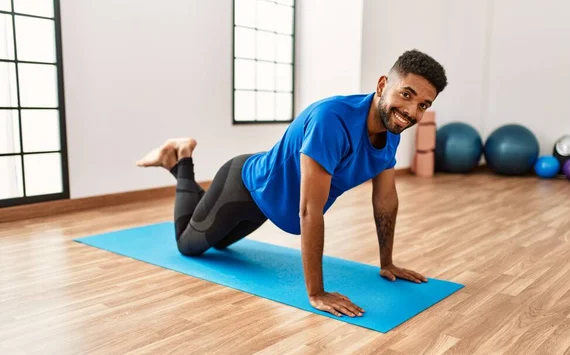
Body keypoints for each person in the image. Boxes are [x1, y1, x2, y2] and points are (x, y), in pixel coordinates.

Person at [136, 49, 448, 318]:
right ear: (383, 85)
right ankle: (181, 159)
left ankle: (185, 170)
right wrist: (317, 293)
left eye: (423, 104)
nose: (411, 111)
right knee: (188, 245)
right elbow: (310, 209)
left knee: (219, 243)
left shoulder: (392, 131)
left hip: (266, 205)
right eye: (407, 94)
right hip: (244, 187)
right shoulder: (333, 121)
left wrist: (387, 262)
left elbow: (385, 199)